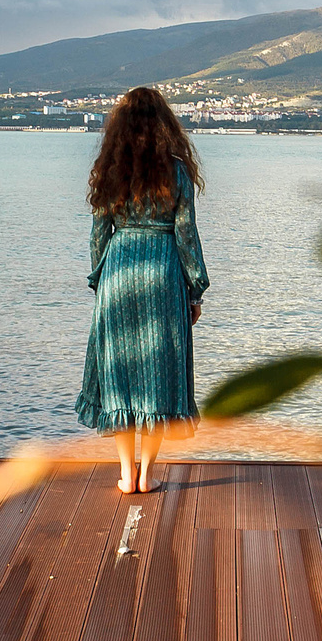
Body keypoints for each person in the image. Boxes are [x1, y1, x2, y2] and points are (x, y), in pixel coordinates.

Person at [77, 86, 209, 494]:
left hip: (119, 268)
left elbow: (99, 233)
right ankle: (148, 474)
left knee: (119, 372)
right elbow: (186, 234)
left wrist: (100, 280)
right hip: (163, 271)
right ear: (164, 125)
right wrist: (195, 289)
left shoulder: (111, 168)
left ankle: (125, 474)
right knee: (157, 374)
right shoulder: (177, 171)